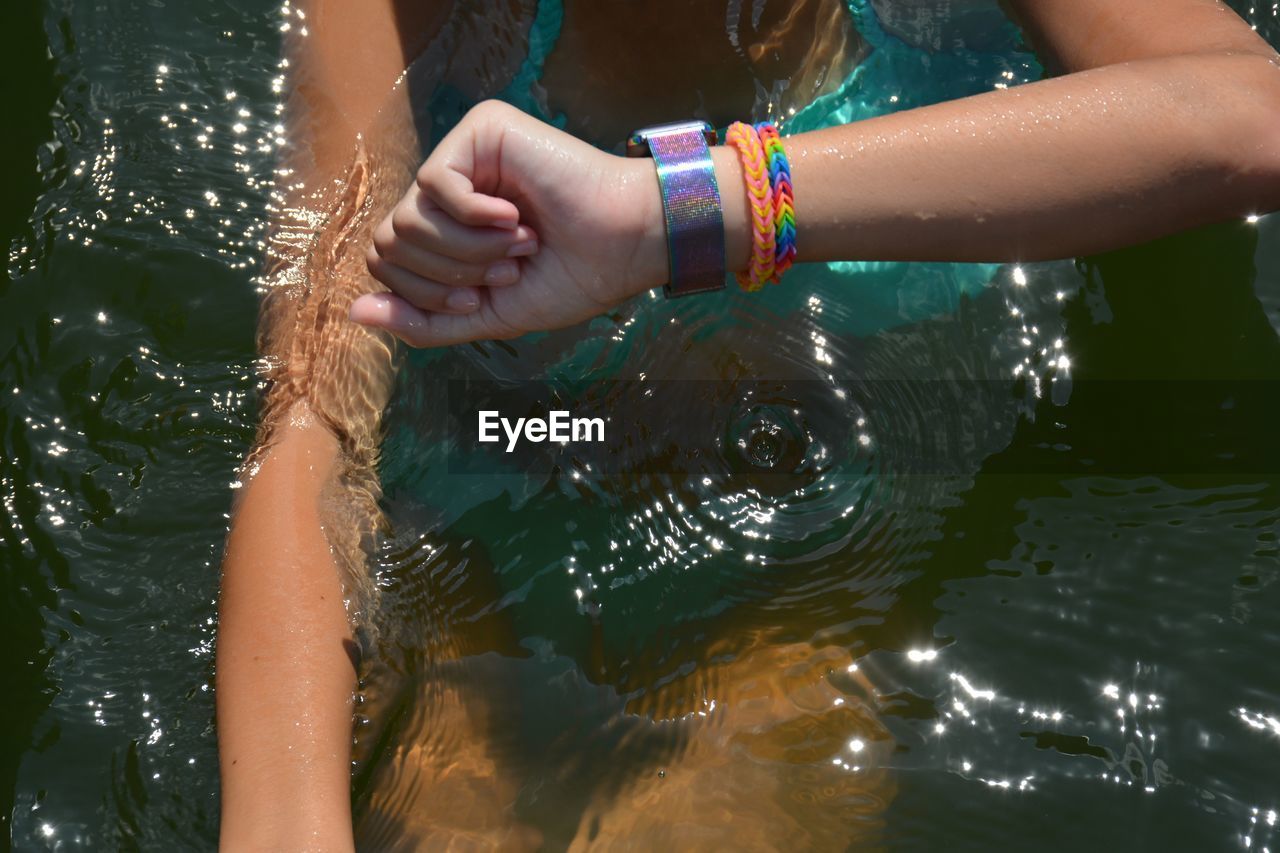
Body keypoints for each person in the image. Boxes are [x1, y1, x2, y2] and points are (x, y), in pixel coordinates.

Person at [215, 1, 1280, 849]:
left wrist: (679, 214)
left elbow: (1245, 112)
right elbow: (314, 420)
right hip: (497, 491)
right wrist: (280, 826)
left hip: (807, 569)